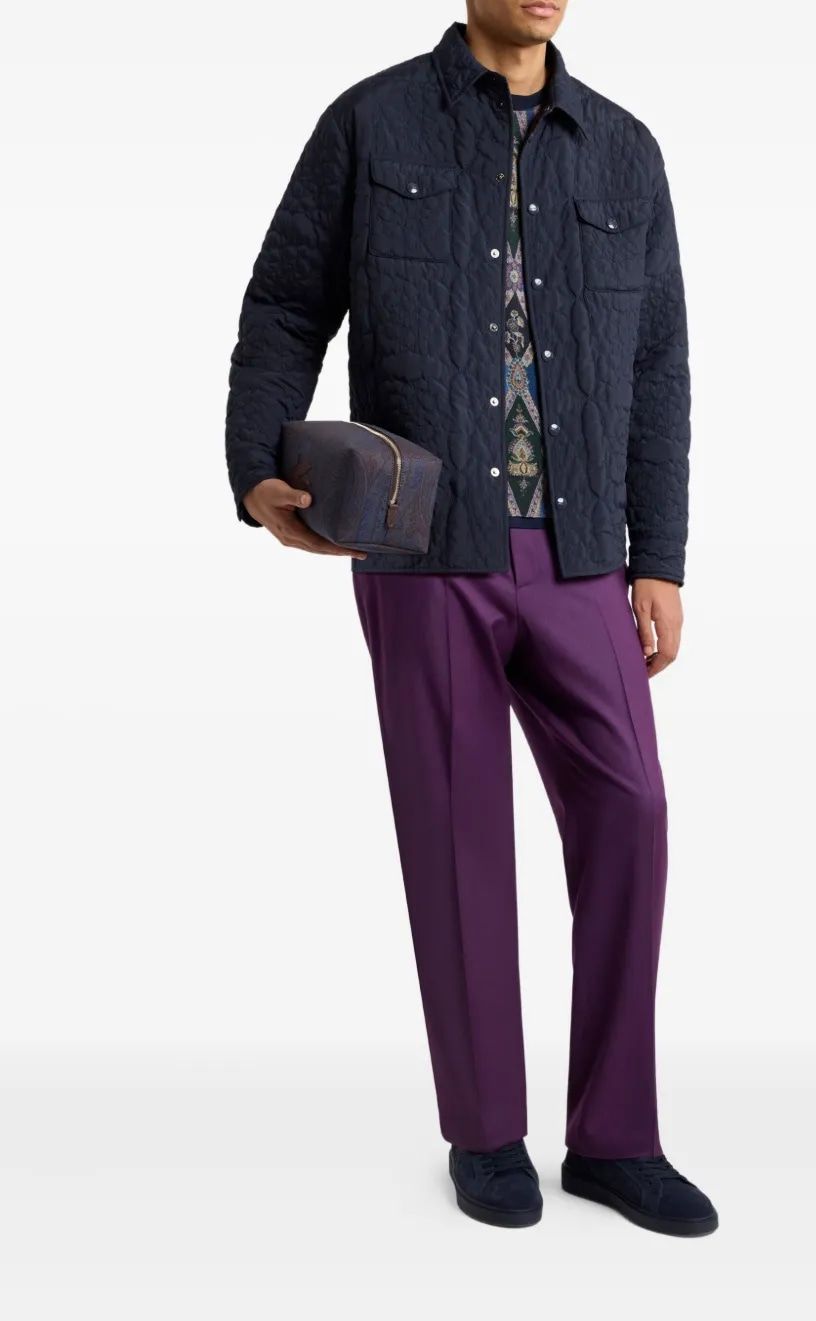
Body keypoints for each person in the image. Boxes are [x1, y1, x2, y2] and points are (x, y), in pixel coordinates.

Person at [225, 0, 717, 1236]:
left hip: (584, 552)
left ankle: (615, 1138)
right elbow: (285, 305)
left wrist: (658, 556)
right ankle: (485, 1131)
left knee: (632, 811)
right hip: (425, 545)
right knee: (457, 839)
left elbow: (658, 363)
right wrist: (256, 466)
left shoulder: (624, 149)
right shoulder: (371, 122)